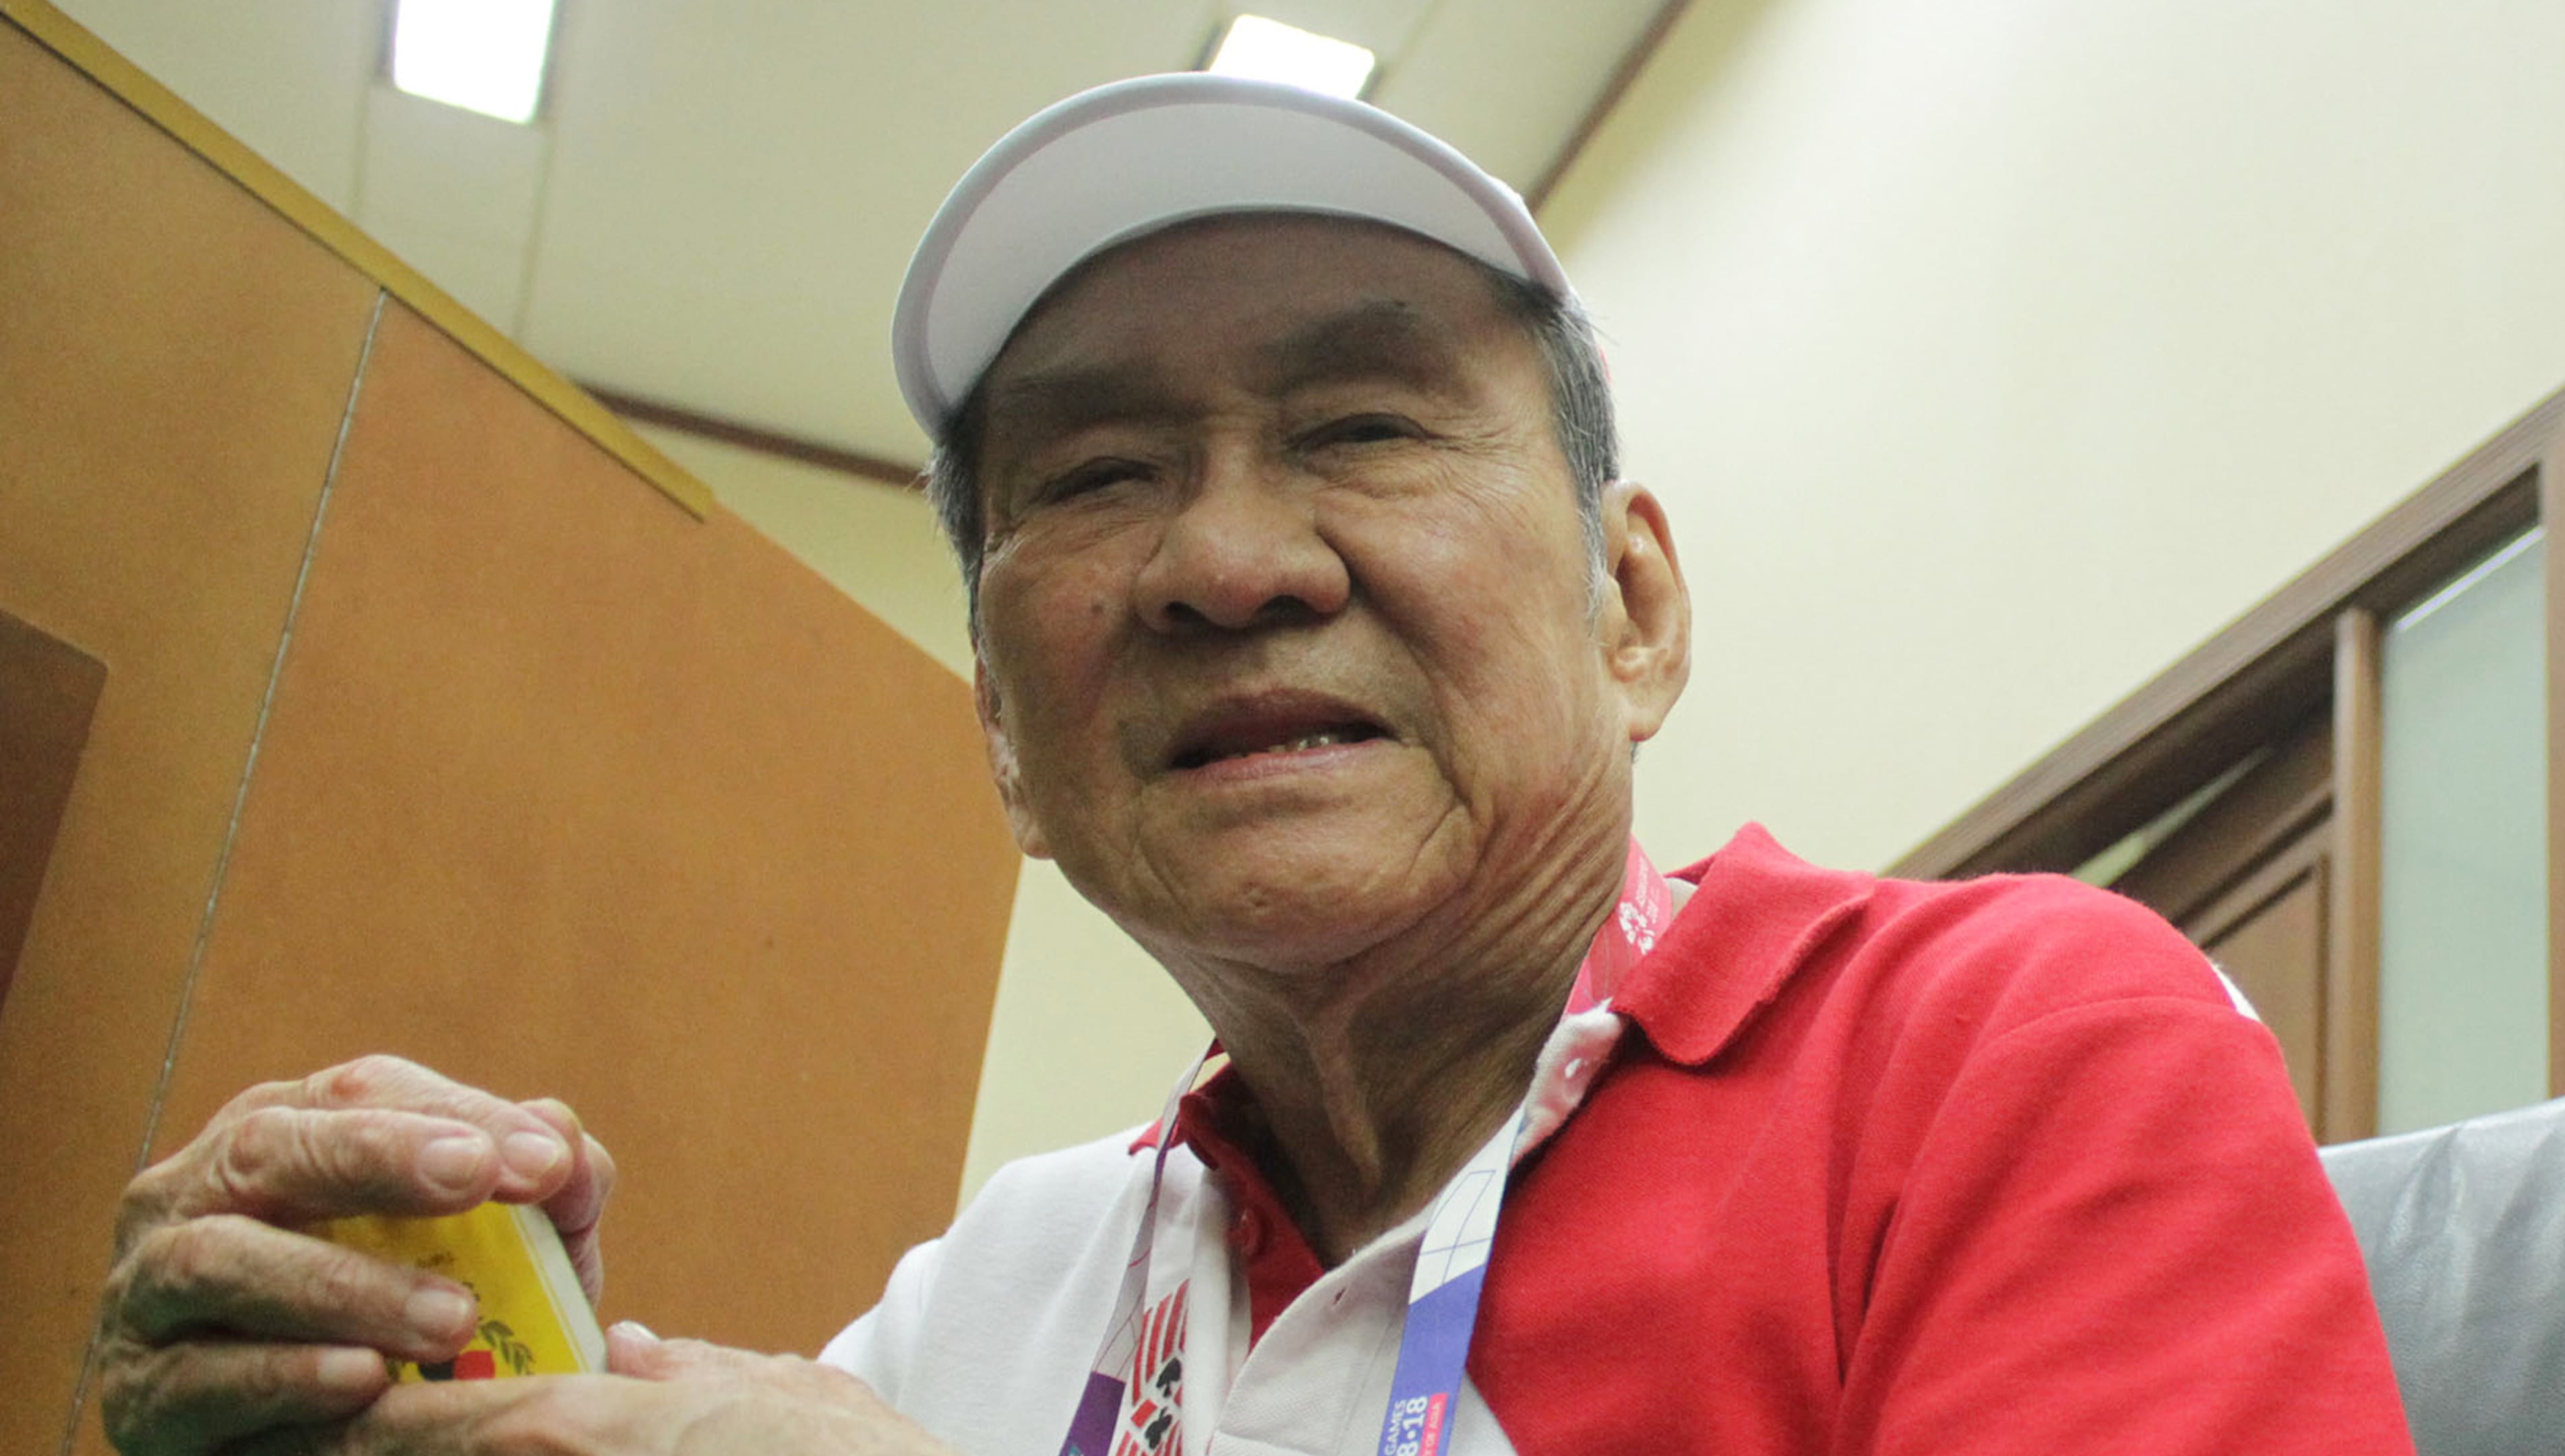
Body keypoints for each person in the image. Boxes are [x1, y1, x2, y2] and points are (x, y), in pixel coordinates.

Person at [96, 74, 2413, 1455]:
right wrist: (404, 1369)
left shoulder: (2006, 1047)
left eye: (1361, 426)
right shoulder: (1001, 1296)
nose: (1222, 559)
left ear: (1632, 609)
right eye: (1094, 479)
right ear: (1006, 740)